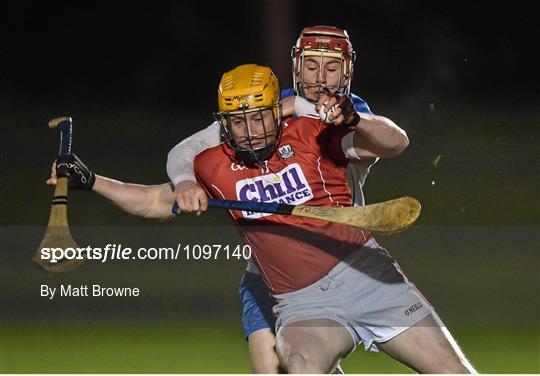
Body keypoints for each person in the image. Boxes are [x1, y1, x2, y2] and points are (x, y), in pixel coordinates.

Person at [190, 63, 476, 373]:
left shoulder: (319, 125)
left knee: (452, 370)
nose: (251, 132)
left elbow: (395, 142)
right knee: (299, 365)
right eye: (239, 121)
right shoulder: (219, 155)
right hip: (292, 295)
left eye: (259, 117)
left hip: (358, 269)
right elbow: (168, 182)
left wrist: (354, 118)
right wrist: (179, 186)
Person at [166, 26, 380, 373]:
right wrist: (184, 181)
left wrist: (298, 105)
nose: (321, 77)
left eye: (331, 67)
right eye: (312, 66)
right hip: (268, 271)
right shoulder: (266, 108)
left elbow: (392, 140)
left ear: (347, 71)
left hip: (332, 264)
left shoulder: (353, 113)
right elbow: (188, 149)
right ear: (297, 67)